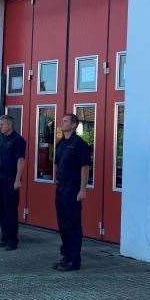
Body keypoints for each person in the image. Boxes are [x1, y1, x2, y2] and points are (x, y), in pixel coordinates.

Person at [52, 113, 91, 270]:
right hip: (61, 188)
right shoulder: (61, 143)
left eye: (66, 121)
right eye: (62, 120)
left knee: (73, 224)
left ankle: (74, 261)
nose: (62, 122)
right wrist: (56, 178)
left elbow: (85, 167)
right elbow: (56, 162)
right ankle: (66, 256)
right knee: (62, 223)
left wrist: (82, 189)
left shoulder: (80, 144)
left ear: (74, 125)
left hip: (73, 188)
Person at [0, 115, 26, 250]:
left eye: (1, 125)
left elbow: (20, 160)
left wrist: (18, 179)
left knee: (10, 209)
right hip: (2, 176)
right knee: (1, 208)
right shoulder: (3, 139)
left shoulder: (18, 140)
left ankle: (12, 240)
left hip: (11, 177)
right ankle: (4, 237)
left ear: (9, 125)